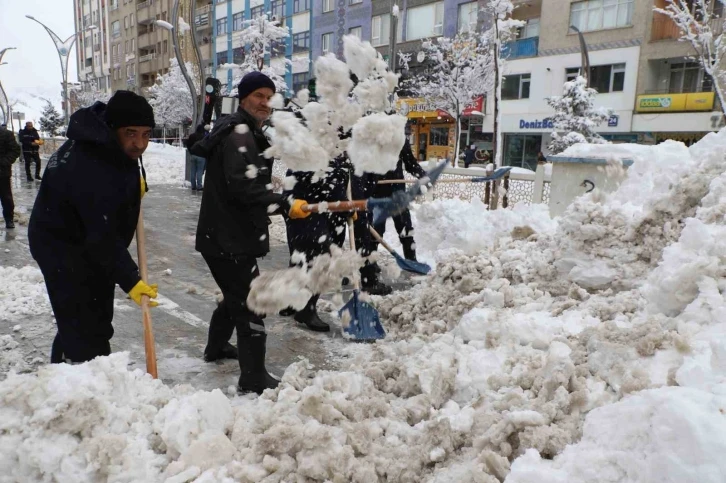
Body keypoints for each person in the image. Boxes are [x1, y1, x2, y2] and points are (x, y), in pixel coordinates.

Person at [190, 71, 309, 395]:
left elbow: (243, 187)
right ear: (243, 98)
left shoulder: (241, 130)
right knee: (251, 304)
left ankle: (216, 348)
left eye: (269, 97)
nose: (265, 103)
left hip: (225, 234)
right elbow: (242, 189)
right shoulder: (239, 135)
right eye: (258, 95)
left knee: (234, 297)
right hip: (230, 237)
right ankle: (252, 377)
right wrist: (284, 202)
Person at [28, 90, 160, 364]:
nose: (139, 144)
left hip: (84, 239)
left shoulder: (103, 143)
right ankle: (85, 378)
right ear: (114, 129)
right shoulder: (88, 163)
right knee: (85, 328)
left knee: (93, 316)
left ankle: (66, 364)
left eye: (146, 134)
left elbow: (104, 216)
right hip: (61, 246)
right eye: (131, 133)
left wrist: (130, 193)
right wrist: (131, 280)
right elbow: (102, 235)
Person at [282, 154, 349, 332]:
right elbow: (331, 185)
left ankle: (291, 302)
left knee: (299, 259)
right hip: (312, 216)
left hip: (302, 214)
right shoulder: (323, 153)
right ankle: (306, 309)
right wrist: (345, 205)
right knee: (320, 263)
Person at [373, 139, 426, 263]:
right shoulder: (373, 135)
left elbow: (410, 162)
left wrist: (423, 176)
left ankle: (412, 260)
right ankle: (370, 267)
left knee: (406, 228)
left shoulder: (399, 137)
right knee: (375, 232)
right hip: (376, 193)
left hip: (397, 193)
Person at [0, 123, 21, 229]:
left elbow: (16, 150)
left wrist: (4, 162)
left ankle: (9, 219)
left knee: (6, 198)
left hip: (2, 173)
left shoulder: (6, 134)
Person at [185, 124, 207, 191]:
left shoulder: (192, 136)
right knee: (199, 171)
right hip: (201, 156)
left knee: (193, 171)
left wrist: (191, 152)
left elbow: (188, 144)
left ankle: (193, 186)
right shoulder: (204, 137)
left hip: (193, 155)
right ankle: (199, 186)